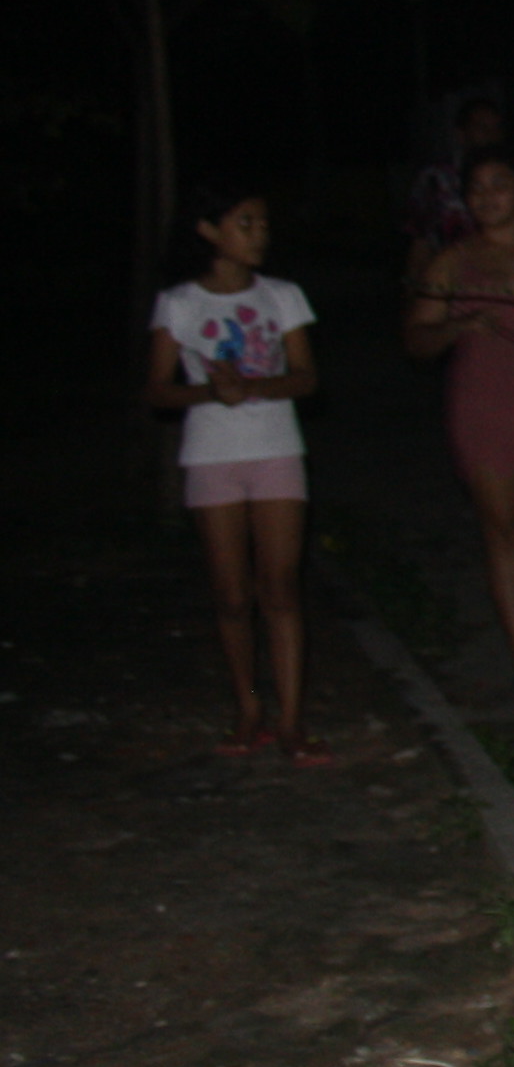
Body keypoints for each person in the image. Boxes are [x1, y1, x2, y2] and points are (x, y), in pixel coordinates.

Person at [148, 185, 324, 761]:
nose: (259, 234)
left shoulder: (282, 295)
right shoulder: (178, 303)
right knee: (230, 595)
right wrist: (209, 392)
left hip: (276, 449)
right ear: (208, 230)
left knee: (281, 588)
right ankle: (249, 709)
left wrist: (253, 386)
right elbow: (157, 389)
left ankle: (292, 720)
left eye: (263, 223)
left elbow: (306, 377)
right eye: (245, 223)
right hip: (211, 455)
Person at [403, 143, 514, 695]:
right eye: (476, 189)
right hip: (483, 405)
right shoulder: (452, 261)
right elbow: (416, 338)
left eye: (500, 185)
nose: (488, 198)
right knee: (504, 529)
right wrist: (458, 327)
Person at [402, 93, 510, 287]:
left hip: (500, 282)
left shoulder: (512, 179)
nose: (490, 135)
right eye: (482, 128)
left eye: (496, 128)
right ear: (461, 134)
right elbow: (420, 240)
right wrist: (413, 286)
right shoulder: (436, 178)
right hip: (447, 282)